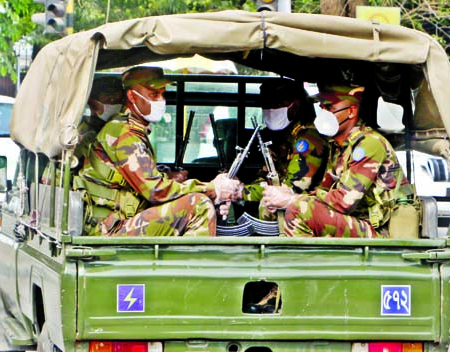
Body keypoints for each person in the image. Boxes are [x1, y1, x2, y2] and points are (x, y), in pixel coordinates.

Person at [75, 66, 240, 237]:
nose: (161, 100)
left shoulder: (130, 129)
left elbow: (146, 181)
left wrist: (167, 176)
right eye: (154, 94)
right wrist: (213, 188)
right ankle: (192, 263)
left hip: (118, 222)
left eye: (163, 94)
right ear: (132, 96)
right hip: (109, 229)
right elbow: (156, 191)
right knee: (198, 204)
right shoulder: (124, 132)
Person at [260, 84, 414, 237]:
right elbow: (325, 191)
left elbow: (343, 202)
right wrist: (288, 195)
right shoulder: (338, 146)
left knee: (298, 209)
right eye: (322, 108)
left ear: (351, 111)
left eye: (330, 108)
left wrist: (292, 199)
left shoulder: (369, 144)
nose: (323, 114)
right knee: (274, 206)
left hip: (377, 229)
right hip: (353, 221)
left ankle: (303, 260)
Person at [241, 78, 329, 218]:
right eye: (267, 104)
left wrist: (240, 192)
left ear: (295, 106)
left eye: (278, 104)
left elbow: (293, 188)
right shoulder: (279, 138)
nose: (271, 109)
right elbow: (264, 175)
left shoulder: (308, 139)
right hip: (287, 201)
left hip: (307, 206)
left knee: (269, 204)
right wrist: (252, 188)